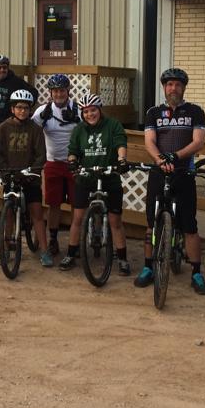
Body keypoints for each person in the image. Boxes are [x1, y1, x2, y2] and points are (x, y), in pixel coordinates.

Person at [136, 68, 205, 294]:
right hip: (159, 172)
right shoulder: (153, 112)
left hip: (183, 172)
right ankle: (148, 267)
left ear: (183, 88)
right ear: (164, 88)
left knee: (189, 225)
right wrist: (160, 160)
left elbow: (198, 142)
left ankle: (196, 272)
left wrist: (175, 157)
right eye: (169, 85)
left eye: (177, 84)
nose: (173, 88)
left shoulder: (195, 111)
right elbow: (149, 141)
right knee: (151, 223)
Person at [61, 93, 130, 274]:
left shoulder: (113, 125)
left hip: (109, 177)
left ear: (99, 110)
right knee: (77, 218)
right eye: (85, 112)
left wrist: (122, 160)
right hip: (86, 177)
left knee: (115, 221)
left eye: (93, 110)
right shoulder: (79, 129)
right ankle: (71, 254)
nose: (89, 114)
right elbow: (73, 150)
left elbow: (120, 143)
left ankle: (122, 259)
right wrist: (72, 161)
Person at [0, 89, 50, 266]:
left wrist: (33, 171)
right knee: (8, 213)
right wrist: (5, 172)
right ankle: (6, 248)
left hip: (30, 177)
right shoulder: (3, 128)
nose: (22, 111)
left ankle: (44, 251)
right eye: (18, 107)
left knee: (37, 213)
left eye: (26, 108)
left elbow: (41, 155)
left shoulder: (35, 129)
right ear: (12, 109)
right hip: (11, 176)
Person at [31, 73, 81, 258]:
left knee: (77, 204)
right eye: (55, 91)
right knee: (54, 204)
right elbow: (31, 132)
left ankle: (75, 242)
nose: (59, 94)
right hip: (52, 162)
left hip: (75, 163)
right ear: (50, 93)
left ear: (68, 91)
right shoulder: (43, 112)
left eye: (62, 91)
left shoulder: (78, 110)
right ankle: (53, 239)